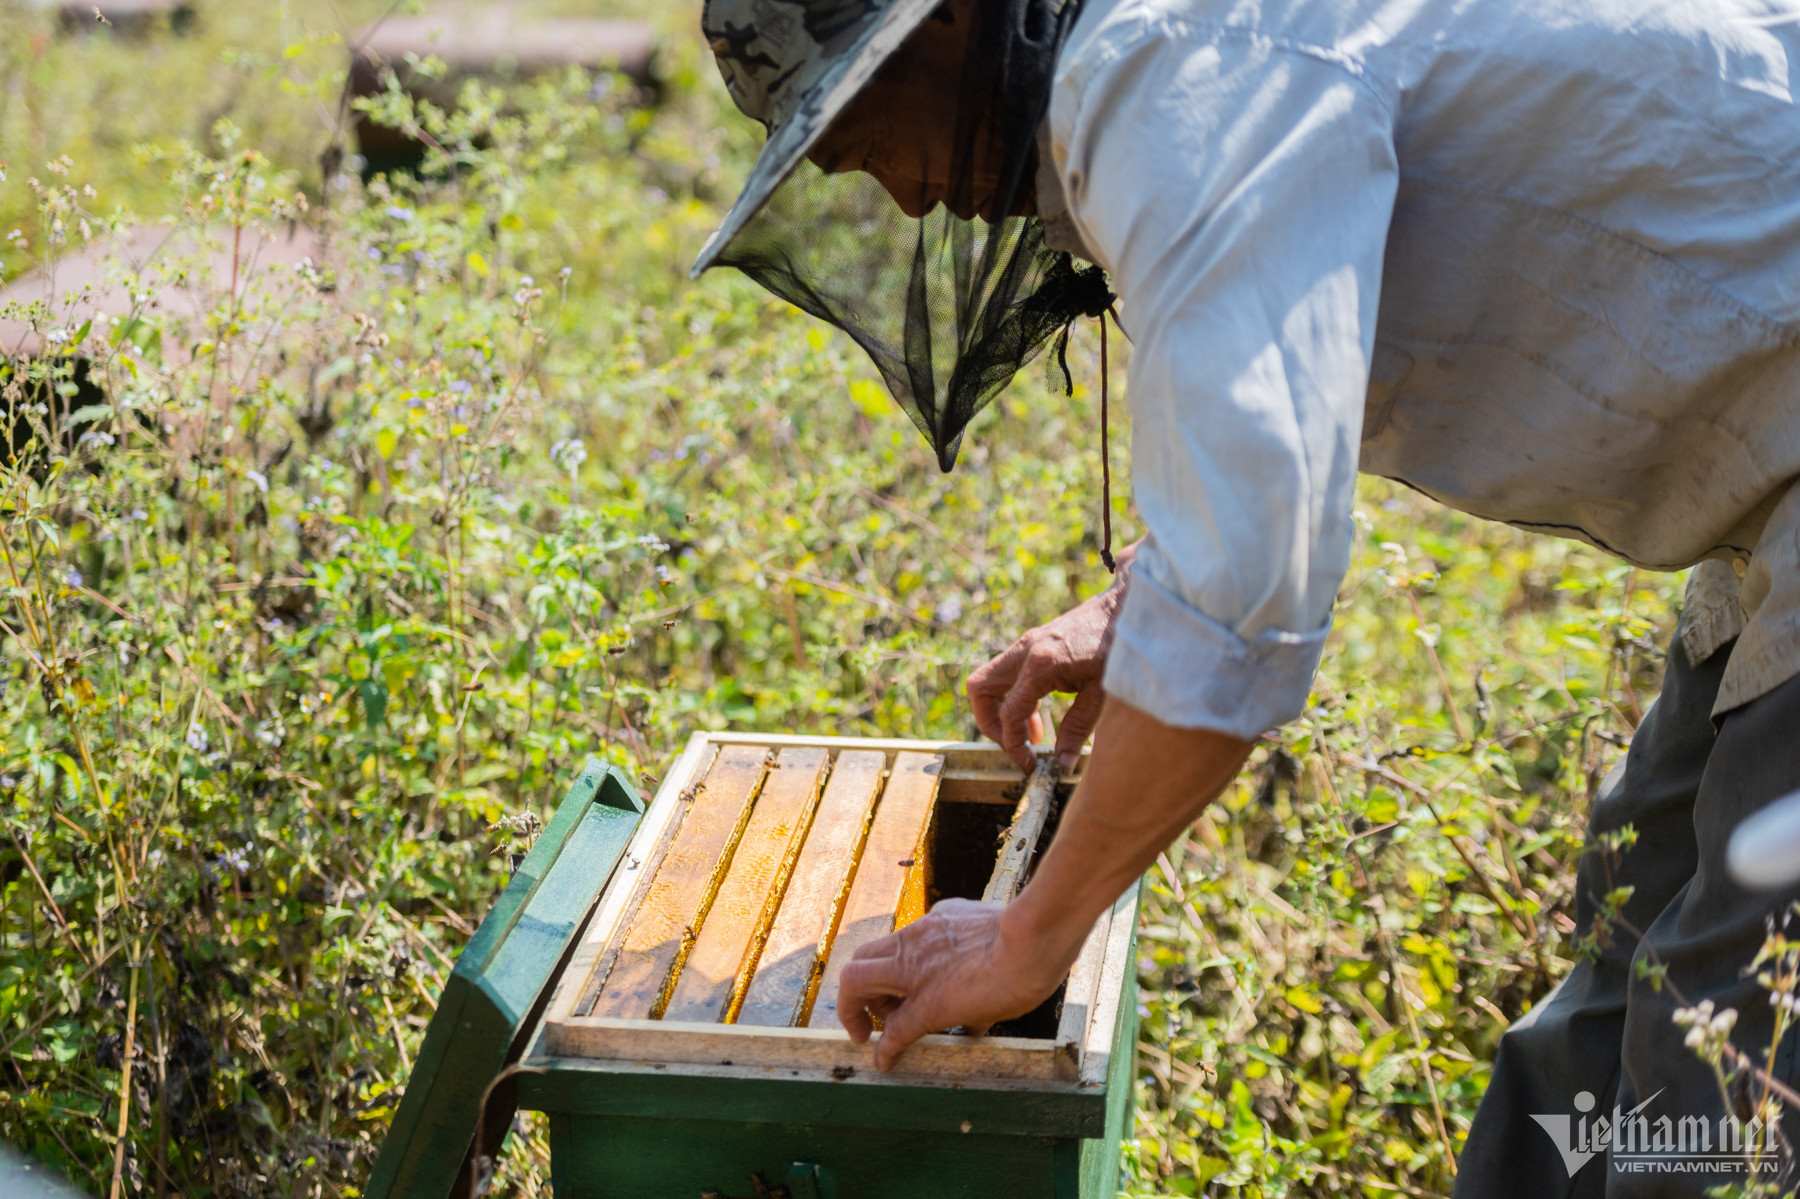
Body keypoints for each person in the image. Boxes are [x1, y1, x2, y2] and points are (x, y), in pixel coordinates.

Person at [693, 0, 1800, 1192]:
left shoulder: (1177, 73)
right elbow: (1278, 402)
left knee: (1726, 1061)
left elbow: (1248, 579)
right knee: (1624, 940)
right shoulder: (1183, 52)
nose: (903, 196)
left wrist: (1031, 934)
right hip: (1767, 473)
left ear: (952, 23)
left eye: (869, 130)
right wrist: (1139, 605)